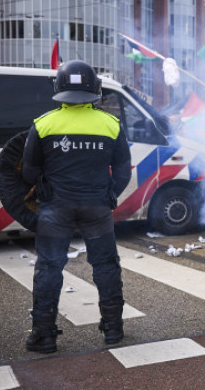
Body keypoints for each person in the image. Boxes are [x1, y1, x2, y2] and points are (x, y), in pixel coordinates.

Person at [21, 60, 132, 353]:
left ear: (58, 88)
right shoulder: (111, 124)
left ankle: (44, 336)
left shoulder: (43, 124)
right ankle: (113, 330)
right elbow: (122, 169)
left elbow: (29, 172)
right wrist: (110, 194)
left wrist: (47, 187)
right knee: (106, 267)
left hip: (55, 209)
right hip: (97, 208)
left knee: (49, 268)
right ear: (95, 89)